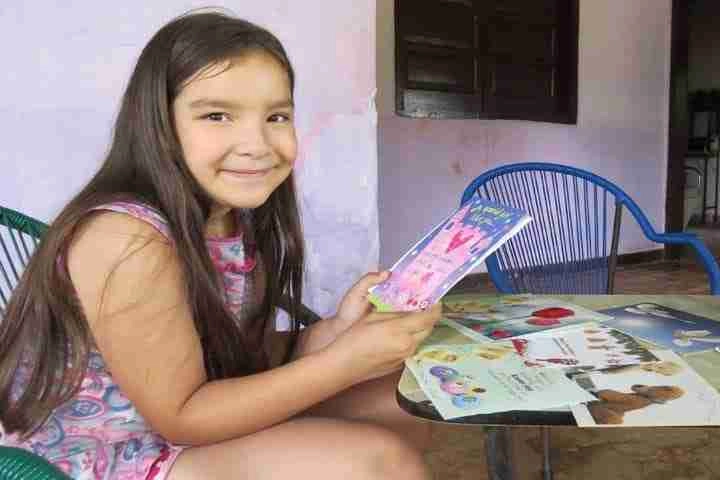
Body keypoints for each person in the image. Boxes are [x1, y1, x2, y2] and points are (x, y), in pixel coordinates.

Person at [0, 10, 441, 480]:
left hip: (178, 423)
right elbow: (183, 416)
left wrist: (335, 331)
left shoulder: (229, 219)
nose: (256, 143)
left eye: (276, 116)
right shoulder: (126, 240)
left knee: (402, 402)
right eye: (217, 115)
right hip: (98, 455)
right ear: (159, 124)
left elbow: (234, 354)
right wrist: (344, 362)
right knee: (380, 461)